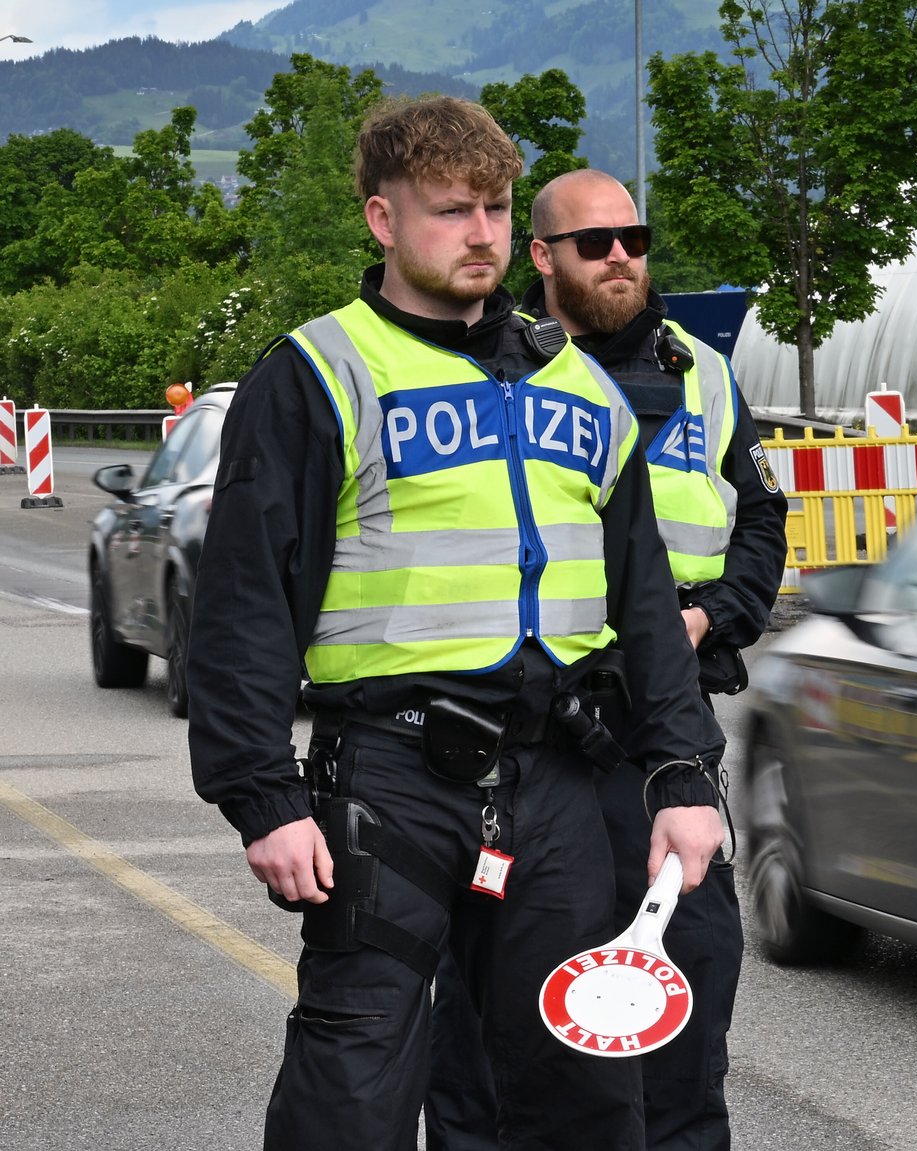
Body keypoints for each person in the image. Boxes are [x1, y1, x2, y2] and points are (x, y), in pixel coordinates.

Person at [186, 96, 728, 1151]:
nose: (480, 233)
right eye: (449, 211)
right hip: (389, 781)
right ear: (382, 220)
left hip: (562, 779)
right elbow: (243, 604)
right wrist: (262, 794)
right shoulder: (318, 374)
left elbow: (646, 606)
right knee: (353, 1084)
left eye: (494, 207)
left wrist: (683, 775)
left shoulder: (577, 383)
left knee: (579, 1090)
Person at [425, 168, 786, 1151]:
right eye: (594, 242)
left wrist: (708, 618)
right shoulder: (496, 372)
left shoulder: (702, 372)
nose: (621, 254)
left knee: (688, 990)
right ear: (540, 257)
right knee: (498, 1016)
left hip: (664, 736)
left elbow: (757, 517)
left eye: (635, 235)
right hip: (534, 746)